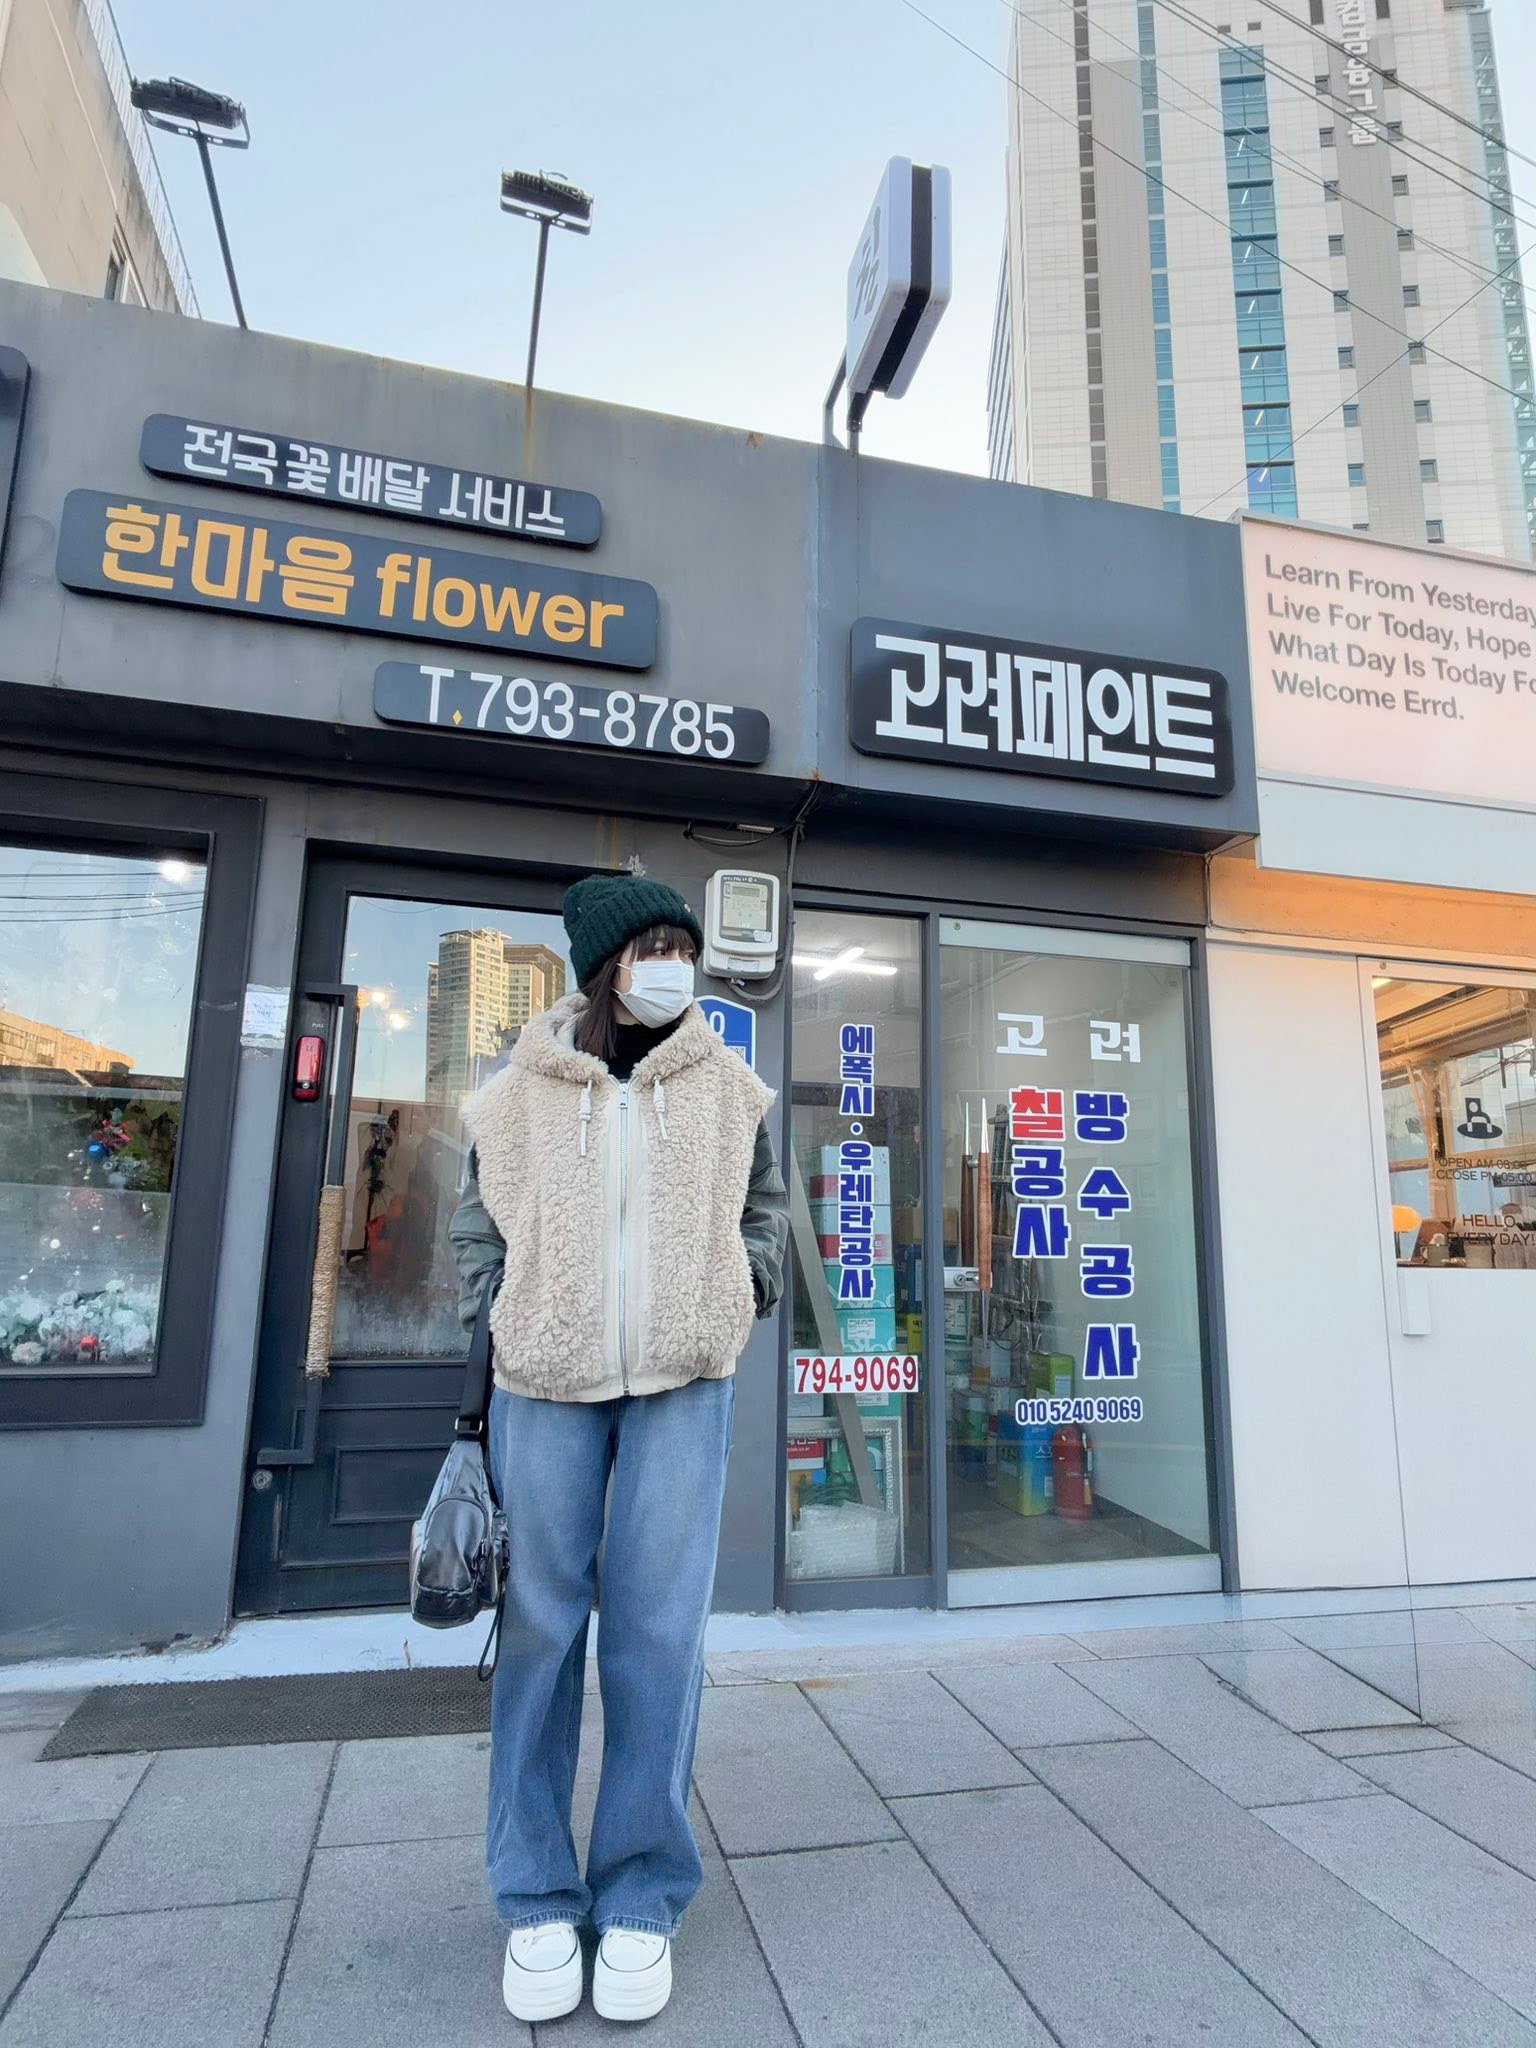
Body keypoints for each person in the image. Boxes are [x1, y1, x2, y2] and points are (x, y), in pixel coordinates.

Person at [449, 870, 788, 2024]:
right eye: (652, 948)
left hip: (684, 1382)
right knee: (540, 1630)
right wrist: (504, 1317)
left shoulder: (729, 1085)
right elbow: (476, 1228)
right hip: (546, 1381)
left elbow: (766, 1210)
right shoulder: (518, 1090)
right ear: (606, 966)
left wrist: (740, 1290)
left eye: (682, 949)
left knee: (660, 1633)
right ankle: (536, 1892)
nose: (673, 968)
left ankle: (641, 1892)